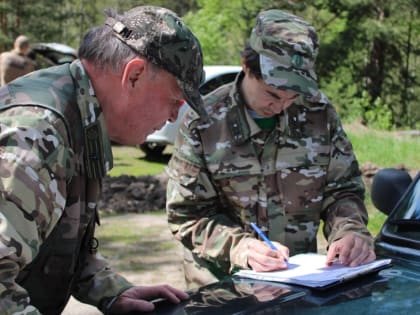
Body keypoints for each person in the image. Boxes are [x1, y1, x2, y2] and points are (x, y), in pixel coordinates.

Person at [0, 5, 206, 315]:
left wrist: (111, 290)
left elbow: (58, 238)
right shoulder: (38, 132)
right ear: (134, 75)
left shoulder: (82, 117)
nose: (174, 115)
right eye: (175, 100)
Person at [166, 9, 376, 289]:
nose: (282, 105)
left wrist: (349, 231)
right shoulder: (204, 122)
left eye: (293, 96)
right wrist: (241, 248)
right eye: (273, 94)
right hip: (224, 287)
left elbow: (342, 191)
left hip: (298, 286)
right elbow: (187, 215)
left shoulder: (318, 113)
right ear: (245, 65)